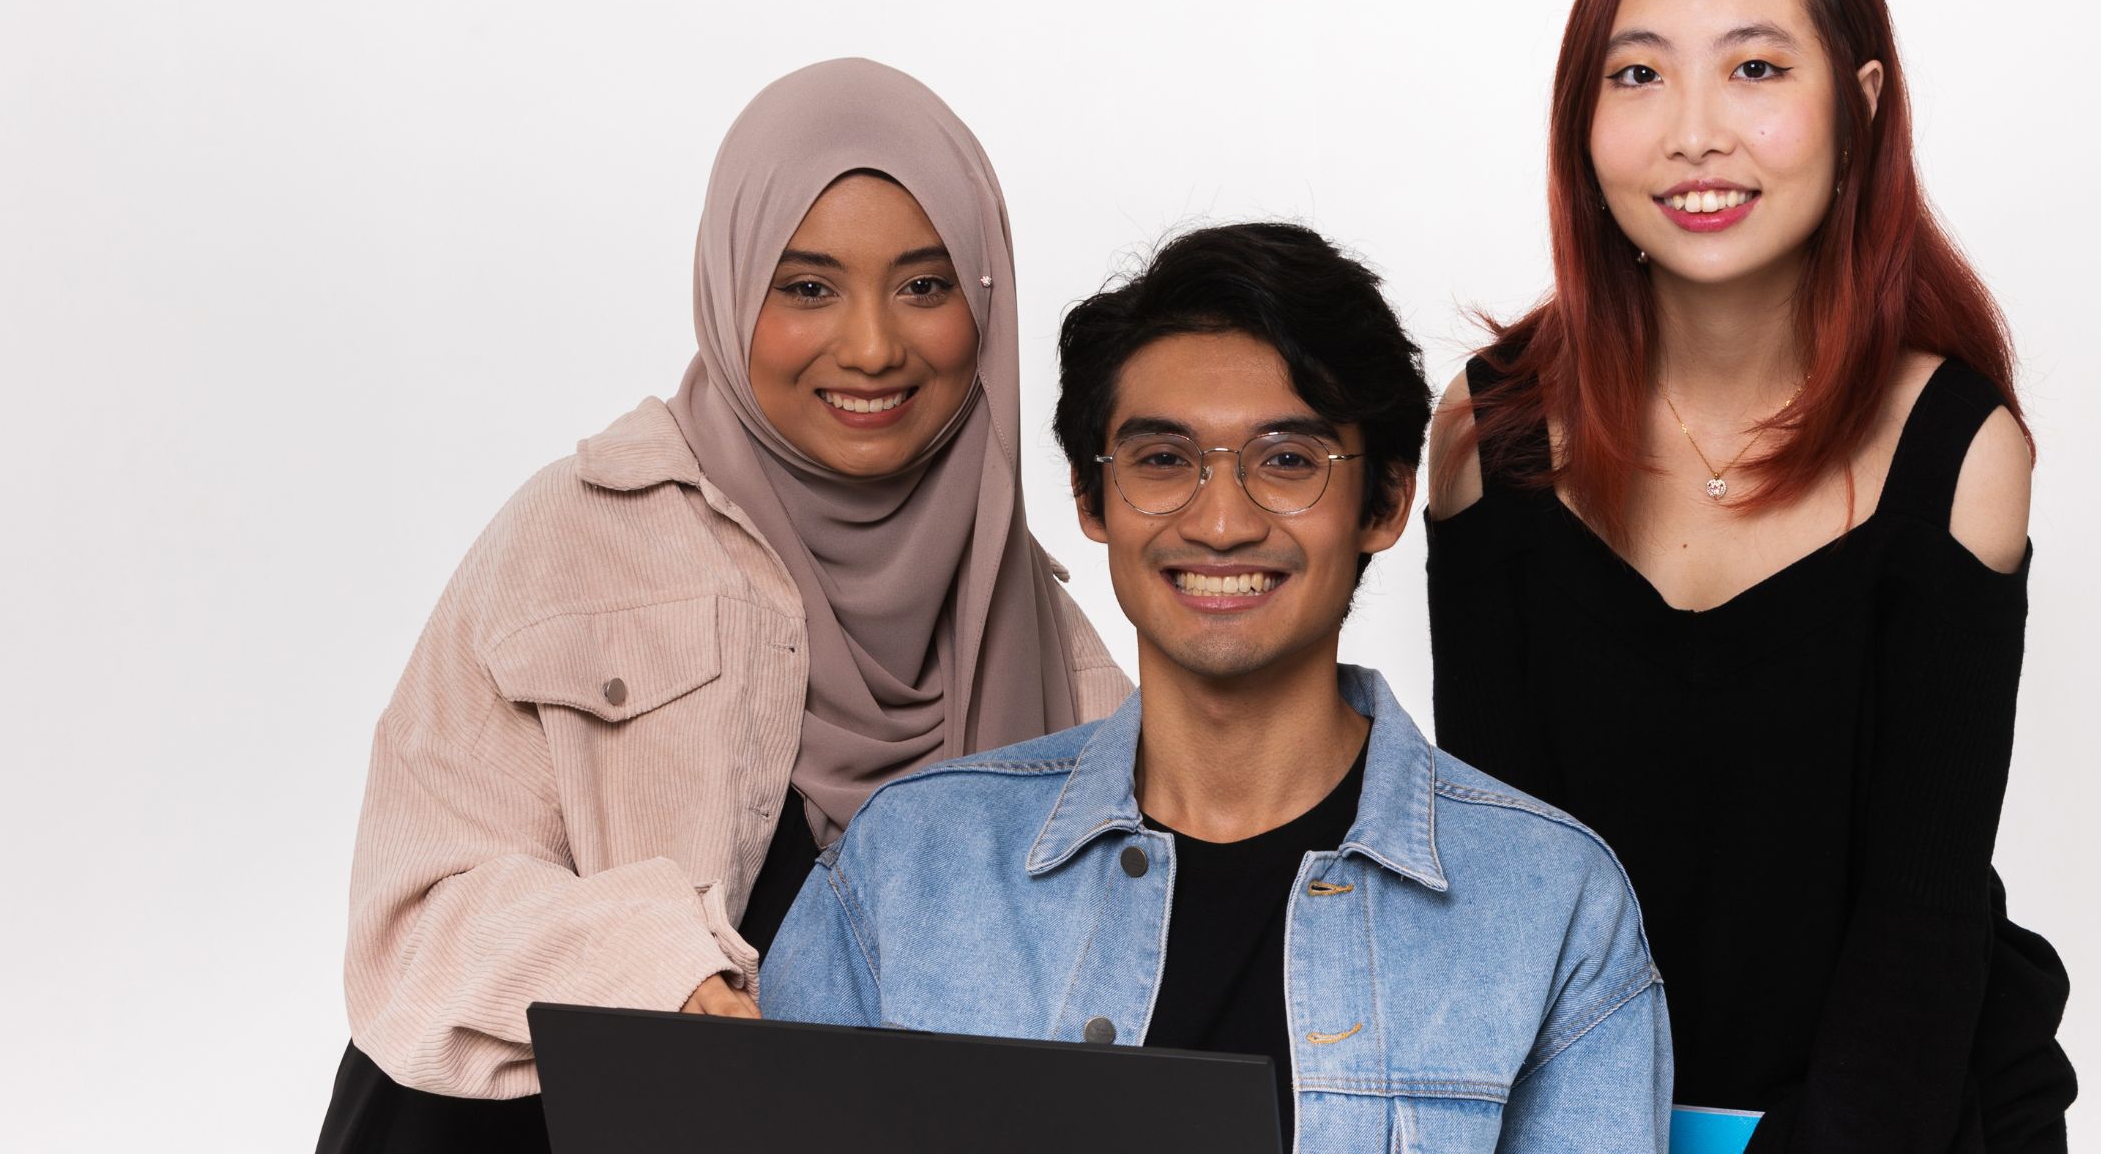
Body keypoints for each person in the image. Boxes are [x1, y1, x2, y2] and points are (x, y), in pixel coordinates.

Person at [317, 59, 1133, 1152]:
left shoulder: (1036, 628)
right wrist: (661, 976)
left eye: (924, 285)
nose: (873, 345)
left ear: (986, 297)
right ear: (731, 283)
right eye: (806, 287)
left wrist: (1451, 554)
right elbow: (413, 920)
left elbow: (1221, 876)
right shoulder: (577, 537)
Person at [762, 223, 1671, 1152]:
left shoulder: (1551, 903)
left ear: (1389, 502)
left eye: (1287, 460)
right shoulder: (909, 869)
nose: (1223, 521)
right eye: (1163, 460)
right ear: (1090, 497)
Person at [1425, 0, 2078, 1154]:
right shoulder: (1488, 435)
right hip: (1572, 1119)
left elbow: (1921, 920)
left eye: (1758, 70)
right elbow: (1502, 890)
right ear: (1581, 120)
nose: (1694, 133)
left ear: (1862, 106)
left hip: (1890, 1115)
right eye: (1638, 75)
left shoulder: (1957, 455)